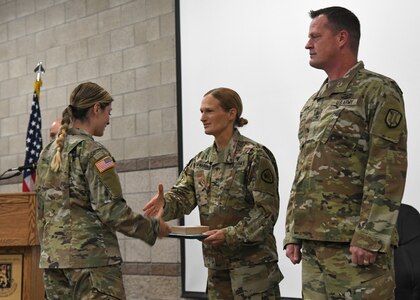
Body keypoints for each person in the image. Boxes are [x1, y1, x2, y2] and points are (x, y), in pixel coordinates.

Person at [284, 6, 408, 299]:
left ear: (341, 38)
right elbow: (304, 169)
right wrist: (293, 232)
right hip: (314, 246)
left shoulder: (378, 90)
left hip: (356, 249)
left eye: (315, 36)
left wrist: (370, 236)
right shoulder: (313, 104)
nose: (307, 44)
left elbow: (387, 167)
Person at [144, 87, 283, 299]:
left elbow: (266, 212)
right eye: (201, 111)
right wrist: (167, 204)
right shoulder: (200, 161)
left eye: (208, 111)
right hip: (217, 270)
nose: (202, 118)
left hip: (253, 270)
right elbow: (183, 196)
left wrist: (230, 235)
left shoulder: (254, 156)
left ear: (231, 113)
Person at [35, 82, 171, 300]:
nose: (109, 119)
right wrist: (153, 227)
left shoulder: (47, 154)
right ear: (96, 109)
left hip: (54, 264)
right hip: (92, 265)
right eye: (109, 112)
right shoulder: (94, 152)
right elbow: (112, 211)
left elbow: (41, 211)